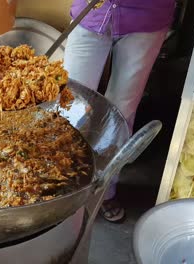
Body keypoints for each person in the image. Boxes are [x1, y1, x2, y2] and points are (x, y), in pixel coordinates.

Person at [63, 0, 176, 222]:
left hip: (146, 18)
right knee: (69, 107)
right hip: (91, 13)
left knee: (121, 113)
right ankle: (64, 187)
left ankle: (104, 191)